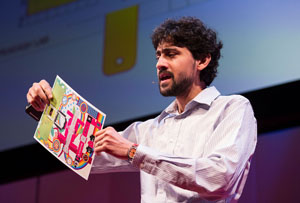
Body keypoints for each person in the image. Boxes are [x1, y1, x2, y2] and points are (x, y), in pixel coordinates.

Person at [27, 17, 257, 202]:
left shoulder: (232, 108)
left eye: (171, 53)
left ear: (202, 60)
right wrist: (48, 109)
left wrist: (134, 152)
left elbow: (218, 177)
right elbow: (85, 156)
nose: (159, 63)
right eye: (158, 55)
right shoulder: (150, 130)